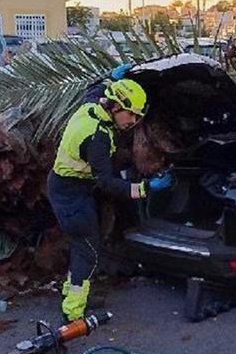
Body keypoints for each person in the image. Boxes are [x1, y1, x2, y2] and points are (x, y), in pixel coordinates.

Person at [48, 69, 171, 321]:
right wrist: (145, 188)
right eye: (131, 114)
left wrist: (112, 77)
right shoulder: (97, 138)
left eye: (137, 116)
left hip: (66, 187)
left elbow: (94, 89)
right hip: (71, 195)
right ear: (115, 106)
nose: (133, 121)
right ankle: (73, 313)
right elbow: (107, 183)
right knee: (88, 252)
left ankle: (72, 294)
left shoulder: (93, 105)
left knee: (81, 246)